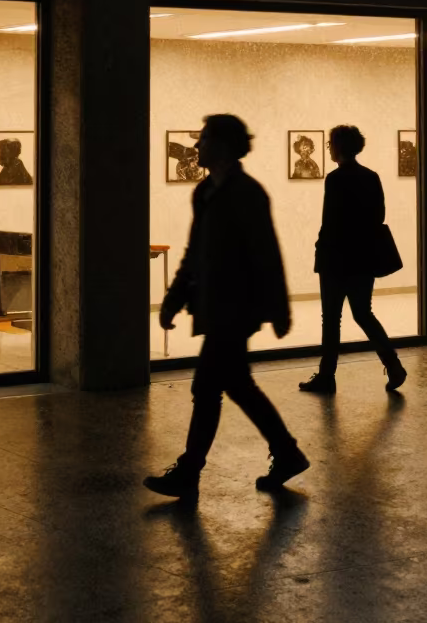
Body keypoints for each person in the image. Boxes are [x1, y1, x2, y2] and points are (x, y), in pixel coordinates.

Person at [144, 114, 309, 499]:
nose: (196, 146)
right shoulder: (205, 192)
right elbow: (194, 252)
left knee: (208, 387)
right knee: (235, 385)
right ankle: (287, 453)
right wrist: (174, 297)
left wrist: (279, 309)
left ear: (221, 145)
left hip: (237, 308)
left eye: (202, 139)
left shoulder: (247, 193)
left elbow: (266, 252)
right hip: (215, 305)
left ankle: (190, 472)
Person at [299, 125, 407, 395]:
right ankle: (393, 365)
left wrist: (321, 251)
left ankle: (327, 376)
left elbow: (330, 221)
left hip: (336, 258)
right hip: (363, 257)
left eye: (330, 144)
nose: (328, 148)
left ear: (338, 147)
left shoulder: (335, 179)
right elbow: (379, 216)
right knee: (363, 313)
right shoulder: (371, 177)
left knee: (331, 318)